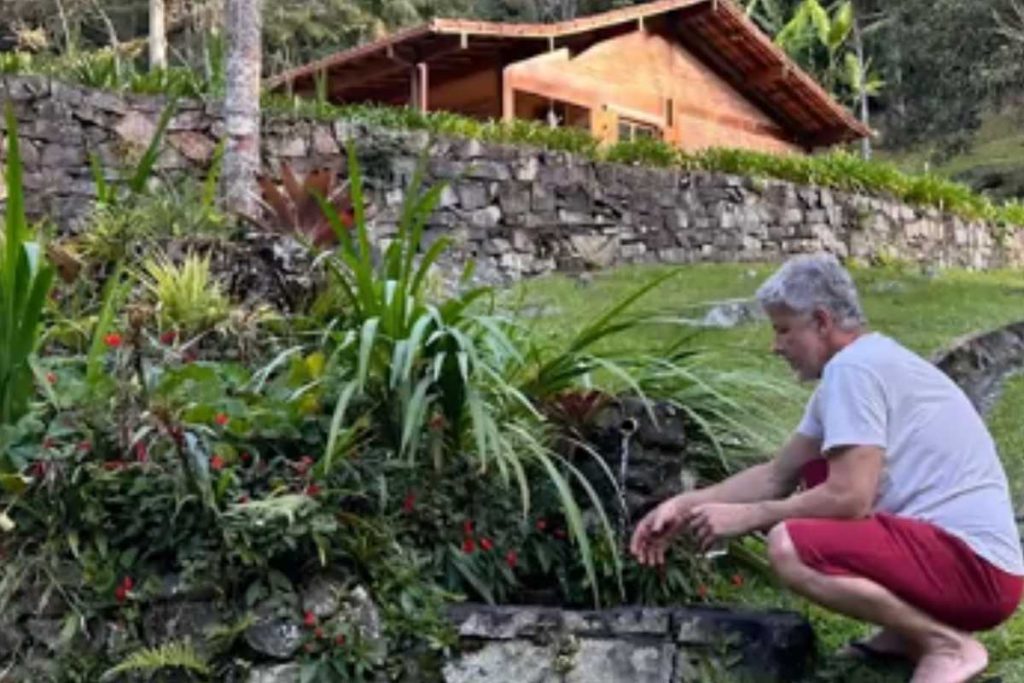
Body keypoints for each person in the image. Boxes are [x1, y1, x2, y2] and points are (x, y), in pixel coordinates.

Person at [630, 253, 1024, 683]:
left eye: (783, 330)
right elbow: (775, 475)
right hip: (975, 568)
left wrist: (750, 517)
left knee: (789, 545)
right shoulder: (864, 365)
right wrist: (683, 505)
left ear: (821, 321)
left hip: (977, 573)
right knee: (816, 471)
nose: (775, 345)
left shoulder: (853, 371)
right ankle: (904, 634)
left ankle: (947, 646)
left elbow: (850, 499)